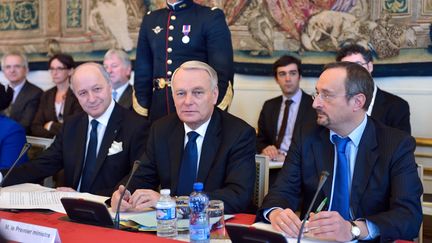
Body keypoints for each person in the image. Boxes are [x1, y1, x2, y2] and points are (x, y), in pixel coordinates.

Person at [257, 62, 422, 241]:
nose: (315, 103)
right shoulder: (307, 136)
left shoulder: (395, 144)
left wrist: (354, 229)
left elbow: (408, 216)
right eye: (316, 93)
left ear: (357, 102)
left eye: (326, 95)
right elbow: (282, 191)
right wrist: (276, 212)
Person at [111, 61, 255, 214]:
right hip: (168, 226)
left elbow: (238, 196)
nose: (188, 101)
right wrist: (123, 194)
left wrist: (172, 202)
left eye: (197, 92)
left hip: (216, 226)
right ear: (173, 97)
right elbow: (142, 177)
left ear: (214, 95)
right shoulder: (161, 129)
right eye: (180, 93)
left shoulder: (239, 134)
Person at [0, 63, 149, 196]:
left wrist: (83, 197)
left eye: (97, 89)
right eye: (83, 93)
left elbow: (137, 179)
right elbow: (44, 164)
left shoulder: (136, 126)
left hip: (110, 212)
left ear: (110, 85)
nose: (91, 99)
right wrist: (2, 177)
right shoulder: (72, 125)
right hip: (69, 212)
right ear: (75, 95)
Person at [133, 0, 234, 122]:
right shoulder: (151, 19)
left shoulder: (210, 17)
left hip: (195, 109)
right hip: (159, 110)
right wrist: (142, 115)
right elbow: (142, 72)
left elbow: (222, 73)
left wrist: (213, 115)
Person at [336, 44, 411, 134]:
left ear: (370, 66)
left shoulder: (398, 106)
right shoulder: (334, 103)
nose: (352, 72)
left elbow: (403, 146)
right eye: (346, 67)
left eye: (358, 65)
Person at [256, 55, 316, 162]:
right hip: (273, 163)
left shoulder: (314, 105)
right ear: (276, 79)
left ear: (300, 77)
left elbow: (316, 142)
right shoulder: (269, 105)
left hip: (301, 164)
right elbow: (260, 139)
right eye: (282, 74)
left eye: (292, 73)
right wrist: (266, 148)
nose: (288, 79)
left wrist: (287, 157)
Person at [31, 53, 83, 138]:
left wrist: (50, 125)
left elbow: (75, 127)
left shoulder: (78, 94)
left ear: (70, 71)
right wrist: (55, 135)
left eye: (59, 68)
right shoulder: (46, 95)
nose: (55, 73)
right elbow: (35, 127)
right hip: (49, 144)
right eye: (52, 69)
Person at [1, 52, 43, 133]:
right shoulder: (1, 91)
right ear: (3, 71)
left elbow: (25, 124)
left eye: (17, 66)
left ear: (26, 70)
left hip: (18, 138)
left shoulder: (35, 93)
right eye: (8, 67)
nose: (12, 70)